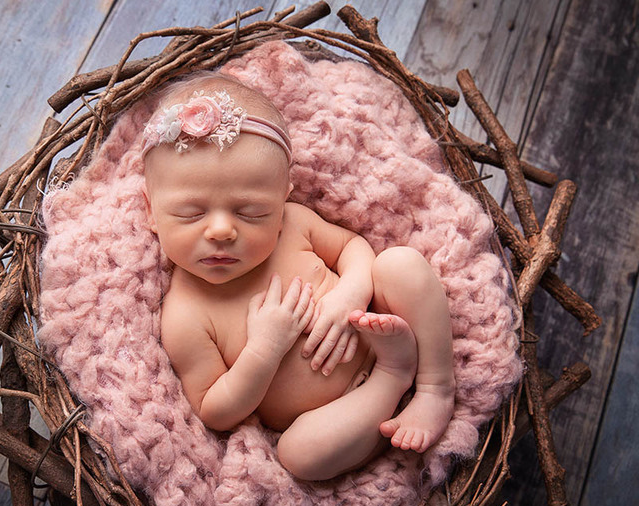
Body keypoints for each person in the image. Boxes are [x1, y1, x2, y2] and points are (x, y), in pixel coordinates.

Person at [140, 73, 455, 481]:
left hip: (374, 323)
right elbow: (214, 410)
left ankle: (434, 387)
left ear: (283, 197)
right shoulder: (185, 315)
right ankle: (394, 377)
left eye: (252, 212)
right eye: (191, 213)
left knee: (400, 264)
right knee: (298, 455)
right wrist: (265, 349)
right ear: (151, 211)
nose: (220, 230)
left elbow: (352, 248)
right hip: (340, 419)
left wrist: (352, 291)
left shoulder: (294, 226)